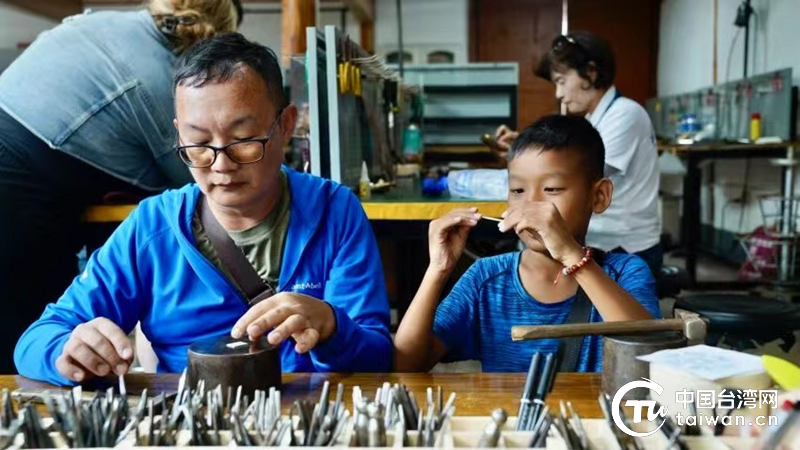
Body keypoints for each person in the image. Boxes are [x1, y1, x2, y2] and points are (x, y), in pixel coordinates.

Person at [14, 33, 392, 385]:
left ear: (286, 125)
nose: (221, 165)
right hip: (191, 419)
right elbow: (36, 340)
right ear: (179, 134)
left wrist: (331, 326)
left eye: (243, 140)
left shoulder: (334, 211)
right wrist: (66, 352)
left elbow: (378, 357)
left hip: (309, 416)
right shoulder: (152, 227)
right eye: (197, 144)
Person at [0, 0, 244, 374]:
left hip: (31, 176)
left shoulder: (108, 22)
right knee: (29, 342)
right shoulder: (161, 78)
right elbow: (201, 177)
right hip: (18, 186)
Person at [394, 115, 661, 373]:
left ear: (599, 196)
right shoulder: (485, 279)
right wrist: (437, 269)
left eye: (552, 189)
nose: (531, 206)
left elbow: (649, 357)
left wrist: (572, 257)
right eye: (518, 191)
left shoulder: (625, 273)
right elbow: (406, 365)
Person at [495, 31, 662, 278]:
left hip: (625, 247)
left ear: (591, 73)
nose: (558, 94)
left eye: (562, 81)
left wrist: (526, 164)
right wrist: (523, 149)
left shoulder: (625, 114)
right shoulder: (598, 118)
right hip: (604, 238)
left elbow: (573, 174)